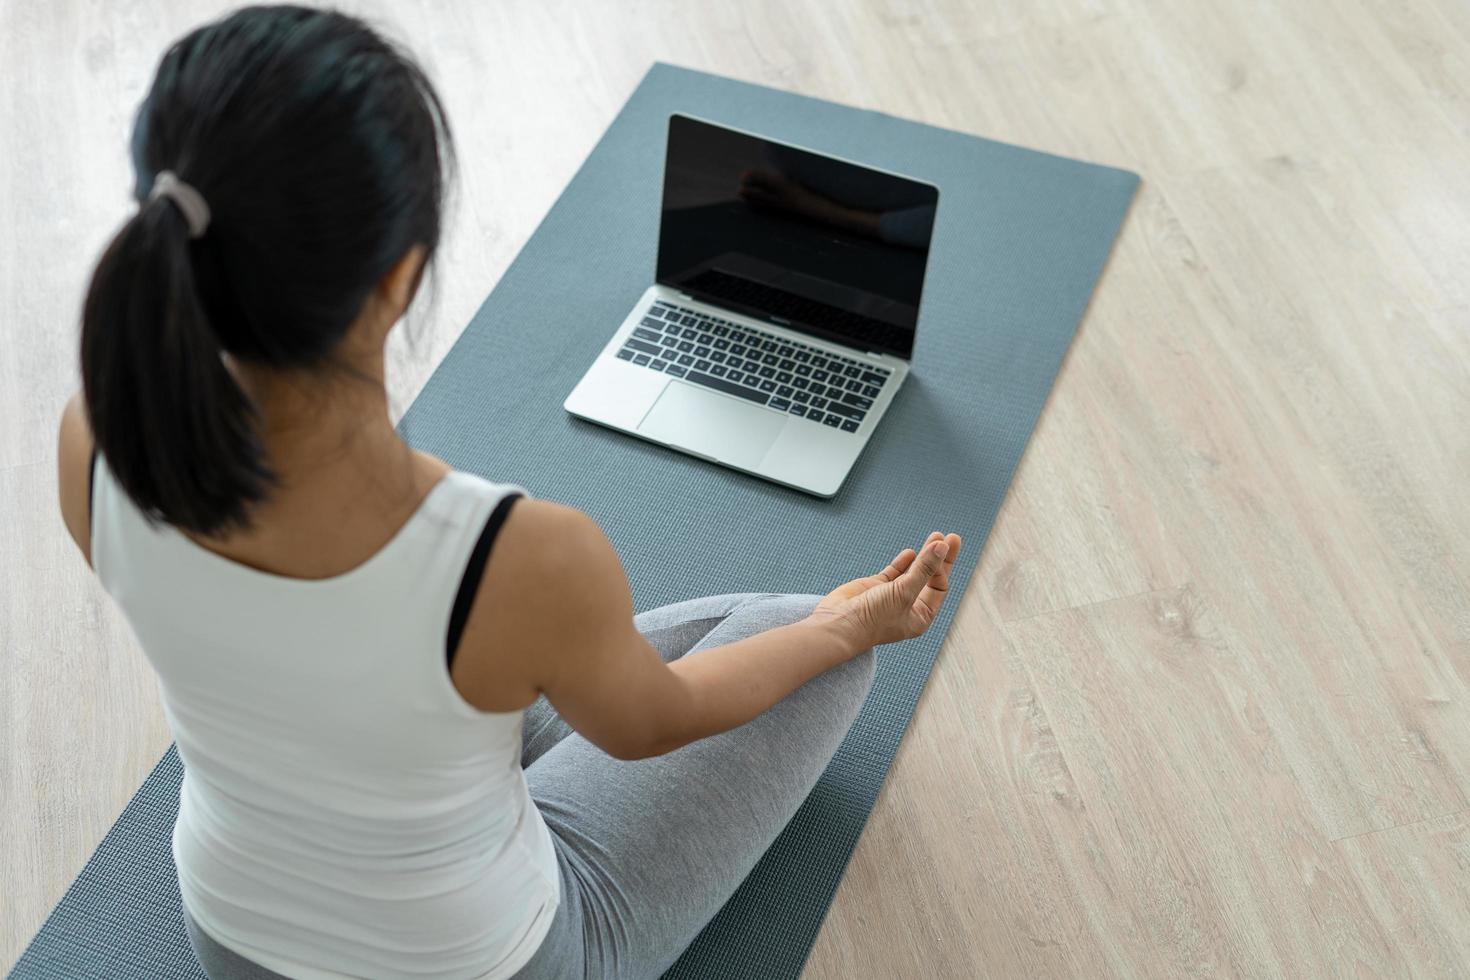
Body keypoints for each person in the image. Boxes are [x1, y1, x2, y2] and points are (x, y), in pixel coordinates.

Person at [54, 7, 962, 979]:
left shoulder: (96, 441)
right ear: (400, 277)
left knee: (516, 673)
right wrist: (845, 628)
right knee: (803, 644)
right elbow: (655, 718)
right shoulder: (512, 555)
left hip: (231, 936)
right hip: (497, 960)